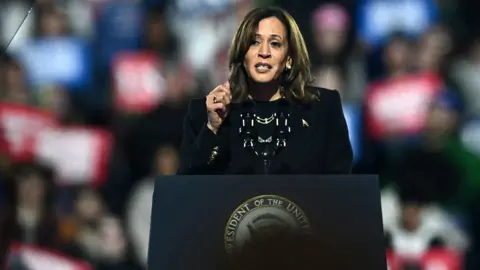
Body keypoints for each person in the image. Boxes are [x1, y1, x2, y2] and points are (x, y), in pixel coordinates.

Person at [178, 6, 353, 175]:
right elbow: (185, 189)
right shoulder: (204, 113)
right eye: (254, 42)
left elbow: (340, 190)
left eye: (275, 43)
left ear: (289, 58)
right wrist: (212, 129)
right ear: (242, 53)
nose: (264, 52)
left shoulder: (322, 109)